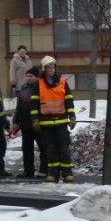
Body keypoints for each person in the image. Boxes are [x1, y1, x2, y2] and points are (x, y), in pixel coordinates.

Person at [31, 55, 77, 183]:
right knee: (50, 150)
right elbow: (34, 103)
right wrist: (34, 119)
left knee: (64, 148)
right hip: (46, 123)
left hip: (61, 122)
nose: (51, 70)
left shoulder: (62, 82)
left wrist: (72, 116)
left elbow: (68, 100)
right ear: (44, 69)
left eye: (53, 67)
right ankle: (53, 173)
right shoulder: (38, 83)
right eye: (48, 68)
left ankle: (67, 173)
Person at [10, 66, 47, 179]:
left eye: (31, 76)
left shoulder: (42, 88)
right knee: (27, 149)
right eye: (27, 76)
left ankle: (44, 170)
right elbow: (19, 107)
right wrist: (15, 121)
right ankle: (28, 170)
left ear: (37, 77)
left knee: (43, 148)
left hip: (38, 124)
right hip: (25, 124)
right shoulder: (23, 88)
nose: (28, 78)